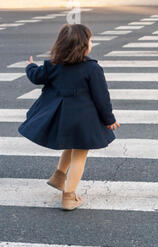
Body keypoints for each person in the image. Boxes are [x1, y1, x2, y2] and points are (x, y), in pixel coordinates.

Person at [19, 23, 120, 211]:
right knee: (80, 155)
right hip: (84, 119)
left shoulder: (53, 65)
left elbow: (36, 76)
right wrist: (109, 119)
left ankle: (59, 176)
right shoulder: (92, 68)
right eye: (90, 40)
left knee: (71, 145)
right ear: (84, 45)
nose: (91, 43)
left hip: (63, 116)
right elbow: (102, 97)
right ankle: (69, 196)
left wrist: (29, 66)